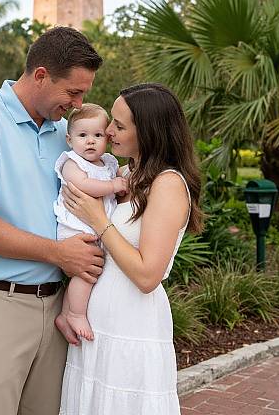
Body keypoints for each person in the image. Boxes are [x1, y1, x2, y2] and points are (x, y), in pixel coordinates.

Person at [0, 26, 105, 415]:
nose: (80, 103)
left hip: (56, 308)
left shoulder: (66, 133)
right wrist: (59, 254)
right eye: (73, 92)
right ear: (42, 75)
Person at [59, 83, 204, 415]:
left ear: (150, 132)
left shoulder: (168, 184)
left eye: (120, 126)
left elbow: (146, 275)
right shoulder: (121, 174)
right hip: (96, 321)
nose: (108, 132)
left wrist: (99, 220)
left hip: (131, 324)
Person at [53, 103, 127, 342]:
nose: (90, 141)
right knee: (87, 272)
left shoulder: (108, 163)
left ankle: (65, 314)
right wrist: (113, 186)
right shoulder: (72, 163)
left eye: (97, 135)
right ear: (69, 138)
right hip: (77, 228)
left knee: (90, 270)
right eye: (82, 135)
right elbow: (84, 186)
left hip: (95, 225)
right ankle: (75, 313)